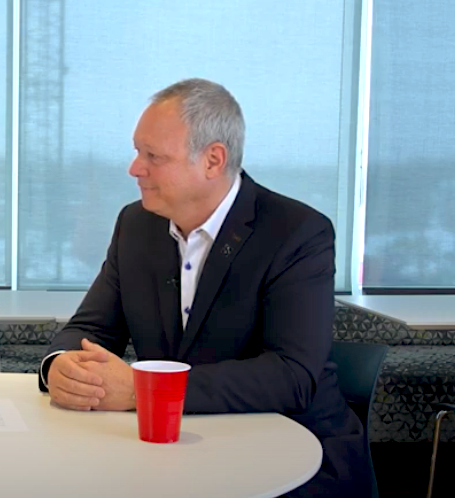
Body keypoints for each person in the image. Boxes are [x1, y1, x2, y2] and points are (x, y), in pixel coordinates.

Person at [39, 79, 369, 497]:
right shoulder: (136, 225)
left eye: (153, 156)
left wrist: (145, 391)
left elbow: (293, 375)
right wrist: (61, 366)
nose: (134, 168)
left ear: (213, 160)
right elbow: (90, 329)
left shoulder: (297, 232)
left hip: (294, 454)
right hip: (171, 453)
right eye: (137, 151)